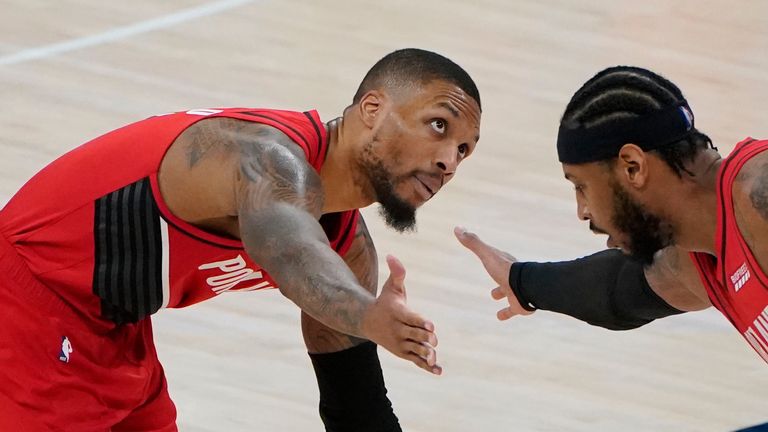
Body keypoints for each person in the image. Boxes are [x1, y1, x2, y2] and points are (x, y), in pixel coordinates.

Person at [0, 48, 482, 431]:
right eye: (438, 126)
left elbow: (355, 409)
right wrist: (364, 313)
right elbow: (291, 251)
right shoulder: (262, 157)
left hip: (114, 327)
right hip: (25, 304)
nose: (449, 162)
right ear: (372, 109)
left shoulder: (346, 246)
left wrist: (363, 316)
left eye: (463, 149)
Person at [455, 65, 768, 364]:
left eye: (582, 187)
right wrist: (521, 282)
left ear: (633, 166)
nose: (583, 211)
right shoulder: (698, 260)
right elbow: (619, 291)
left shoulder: (758, 196)